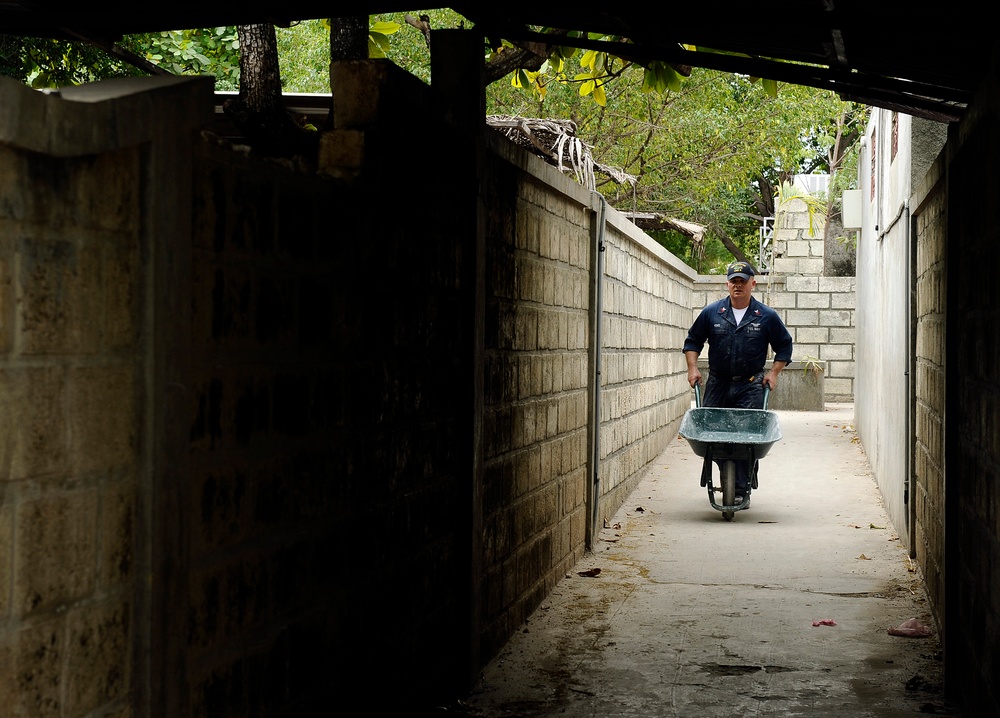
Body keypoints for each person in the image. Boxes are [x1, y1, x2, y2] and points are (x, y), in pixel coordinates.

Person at [682, 260, 793, 502]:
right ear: (727, 284)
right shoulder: (712, 313)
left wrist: (773, 374)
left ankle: (742, 485)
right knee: (716, 436)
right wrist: (693, 369)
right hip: (718, 383)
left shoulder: (766, 316)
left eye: (743, 281)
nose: (738, 285)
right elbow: (692, 342)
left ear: (753, 283)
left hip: (750, 385)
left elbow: (784, 347)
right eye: (734, 281)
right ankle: (727, 477)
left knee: (747, 437)